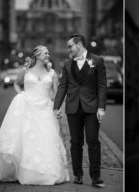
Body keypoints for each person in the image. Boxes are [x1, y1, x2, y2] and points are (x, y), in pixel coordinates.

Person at [0, 46, 69, 185]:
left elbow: (56, 93)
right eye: (45, 53)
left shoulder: (52, 73)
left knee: (46, 138)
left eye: (48, 53)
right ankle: (24, 171)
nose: (48, 55)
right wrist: (21, 94)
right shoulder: (26, 70)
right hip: (27, 107)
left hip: (44, 108)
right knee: (26, 139)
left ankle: (45, 172)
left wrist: (57, 108)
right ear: (37, 55)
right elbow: (16, 84)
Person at [53, 34, 107, 188]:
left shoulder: (97, 60)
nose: (68, 49)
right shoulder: (68, 64)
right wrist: (56, 107)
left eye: (70, 46)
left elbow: (102, 86)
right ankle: (78, 175)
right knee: (75, 142)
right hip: (73, 108)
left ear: (79, 44)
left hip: (91, 108)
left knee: (93, 141)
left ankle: (96, 177)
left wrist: (101, 107)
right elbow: (63, 86)